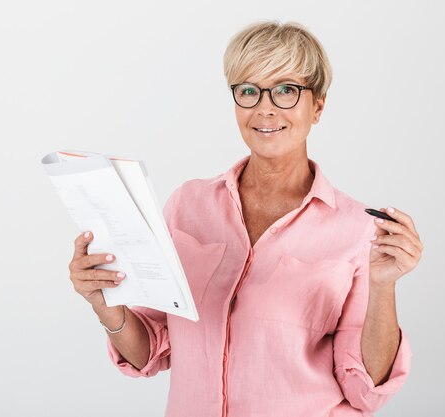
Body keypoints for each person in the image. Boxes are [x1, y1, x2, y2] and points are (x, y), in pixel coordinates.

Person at [68, 20, 423, 417]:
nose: (265, 108)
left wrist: (384, 286)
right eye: (249, 91)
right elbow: (152, 349)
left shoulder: (357, 229)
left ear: (318, 105)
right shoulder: (188, 206)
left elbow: (367, 387)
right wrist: (106, 306)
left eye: (287, 90)